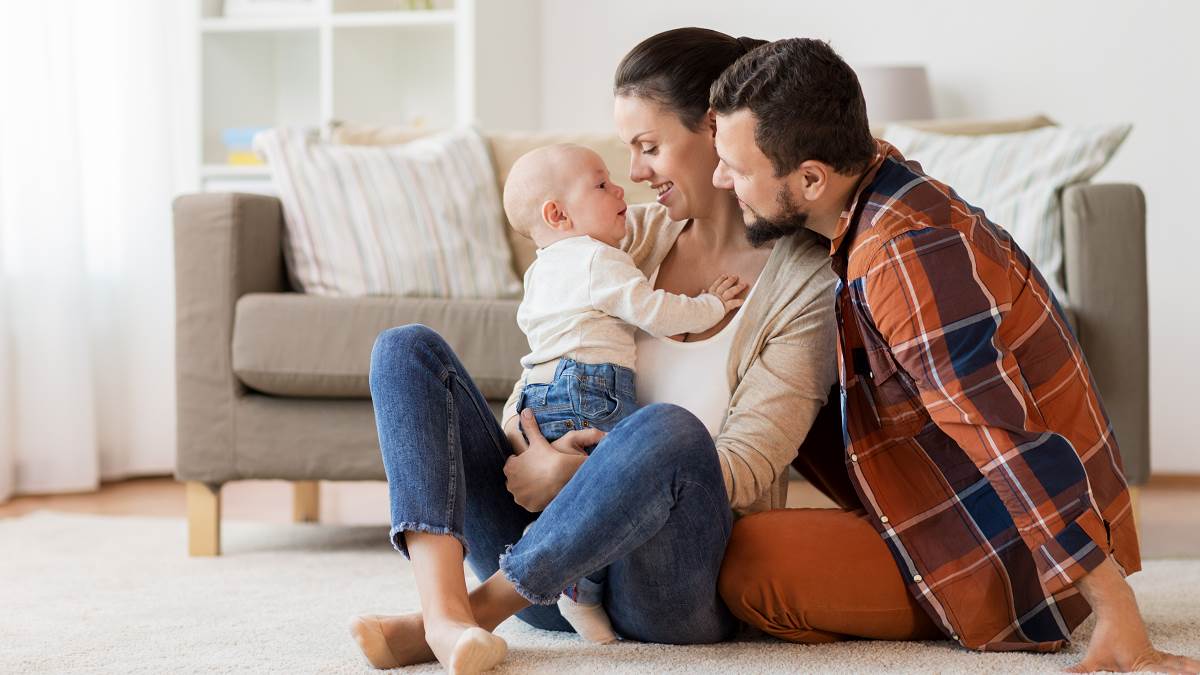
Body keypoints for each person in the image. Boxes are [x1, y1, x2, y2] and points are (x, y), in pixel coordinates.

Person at [347, 27, 837, 673]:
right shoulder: (629, 235)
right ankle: (442, 617)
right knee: (406, 351)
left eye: (649, 147)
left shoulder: (804, 281)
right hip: (556, 578)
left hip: (666, 588)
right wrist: (528, 444)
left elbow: (744, 467)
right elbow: (554, 350)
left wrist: (579, 476)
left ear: (716, 131)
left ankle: (478, 609)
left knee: (666, 428)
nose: (633, 173)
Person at [710, 37, 1200, 673]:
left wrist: (1115, 609)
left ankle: (993, 606)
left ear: (811, 177)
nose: (721, 180)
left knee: (749, 566)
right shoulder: (878, 187)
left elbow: (1000, 434)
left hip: (1017, 561)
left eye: (736, 168)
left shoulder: (902, 257)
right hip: (950, 493)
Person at [502, 142, 747, 643]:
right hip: (591, 390)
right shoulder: (597, 259)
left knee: (583, 491)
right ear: (558, 213)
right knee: (614, 489)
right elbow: (656, 311)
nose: (623, 187)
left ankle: (547, 545)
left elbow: (538, 351)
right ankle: (574, 585)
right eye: (602, 184)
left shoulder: (540, 272)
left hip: (541, 391)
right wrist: (709, 307)